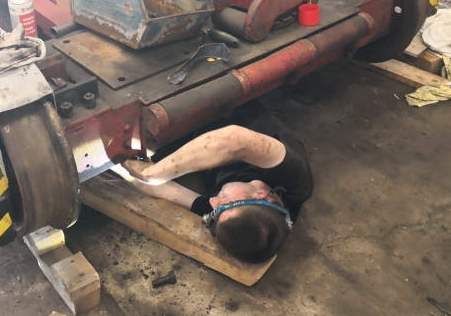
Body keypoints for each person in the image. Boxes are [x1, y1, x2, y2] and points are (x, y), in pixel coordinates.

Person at [122, 101, 313, 263]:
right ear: (262, 196)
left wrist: (120, 163)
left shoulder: (225, 214)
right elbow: (234, 139)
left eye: (215, 213)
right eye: (224, 203)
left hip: (194, 129)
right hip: (228, 105)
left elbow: (167, 191)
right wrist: (152, 174)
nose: (213, 201)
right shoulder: (294, 183)